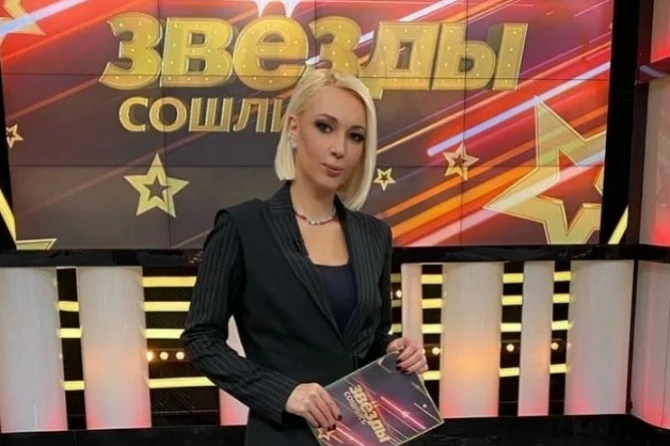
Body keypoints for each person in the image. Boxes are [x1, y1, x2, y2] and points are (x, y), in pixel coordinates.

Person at [181, 68, 428, 446]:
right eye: (325, 127)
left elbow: (373, 336)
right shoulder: (243, 227)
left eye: (355, 136)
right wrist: (283, 393)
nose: (340, 149)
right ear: (294, 129)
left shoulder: (374, 235)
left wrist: (395, 352)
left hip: (364, 436)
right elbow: (201, 338)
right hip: (283, 437)